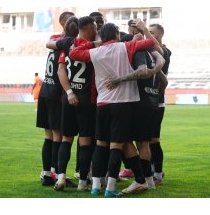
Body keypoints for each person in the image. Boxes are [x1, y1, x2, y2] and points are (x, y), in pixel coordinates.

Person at [69, 23, 156, 197]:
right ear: (116, 34)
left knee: (101, 144)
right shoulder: (126, 46)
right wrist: (140, 34)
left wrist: (93, 44)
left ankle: (95, 186)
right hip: (123, 103)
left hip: (102, 103)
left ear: (102, 36)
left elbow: (73, 53)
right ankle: (110, 188)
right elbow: (150, 44)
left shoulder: (96, 52)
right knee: (117, 145)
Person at [106, 21, 166, 193]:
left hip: (140, 103)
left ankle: (141, 179)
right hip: (152, 102)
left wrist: (119, 80)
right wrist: (154, 84)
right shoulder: (152, 52)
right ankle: (150, 181)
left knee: (125, 140)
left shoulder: (139, 50)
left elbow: (140, 72)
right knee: (144, 143)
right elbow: (164, 76)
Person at [49, 16, 97, 192]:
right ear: (91, 28)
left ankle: (61, 177)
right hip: (86, 99)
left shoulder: (67, 45)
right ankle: (83, 182)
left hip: (68, 98)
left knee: (66, 139)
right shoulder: (93, 47)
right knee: (85, 141)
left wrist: (69, 92)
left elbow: (61, 70)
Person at [37, 11, 75, 186]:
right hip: (56, 93)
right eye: (69, 22)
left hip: (46, 90)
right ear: (63, 24)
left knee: (49, 135)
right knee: (57, 135)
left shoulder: (54, 39)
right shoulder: (69, 42)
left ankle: (47, 173)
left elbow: (48, 44)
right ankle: (56, 173)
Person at [148, 23, 172, 185]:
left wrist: (143, 31)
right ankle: (151, 171)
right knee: (145, 139)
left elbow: (161, 54)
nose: (147, 34)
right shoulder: (147, 50)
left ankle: (157, 174)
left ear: (160, 35)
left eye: (151, 33)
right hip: (145, 101)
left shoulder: (165, 51)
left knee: (153, 139)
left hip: (157, 102)